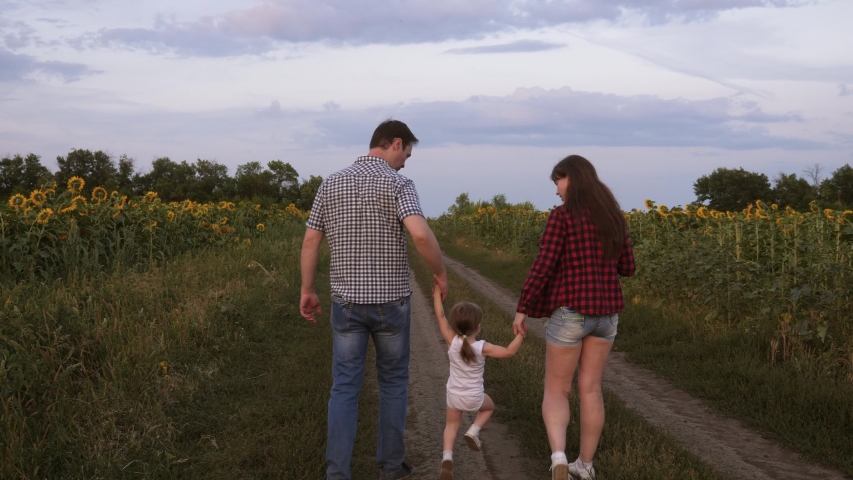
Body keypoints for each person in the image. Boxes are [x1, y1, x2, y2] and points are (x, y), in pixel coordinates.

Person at [300, 120, 448, 480]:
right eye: (406, 155)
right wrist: (441, 273)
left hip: (346, 303)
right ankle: (391, 468)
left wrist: (307, 289)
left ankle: (337, 473)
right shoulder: (398, 183)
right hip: (390, 304)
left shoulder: (331, 183)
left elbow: (310, 241)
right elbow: (421, 235)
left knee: (345, 385)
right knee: (394, 382)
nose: (405, 163)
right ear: (395, 143)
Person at [512, 155, 635, 480]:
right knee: (591, 389)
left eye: (558, 181)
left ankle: (558, 458)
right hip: (607, 316)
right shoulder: (614, 217)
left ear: (573, 179)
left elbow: (544, 264)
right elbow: (628, 267)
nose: (556, 190)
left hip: (572, 314)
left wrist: (523, 305)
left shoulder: (563, 217)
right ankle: (585, 465)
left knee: (556, 389)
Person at [432, 284, 525, 480]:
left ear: (455, 327)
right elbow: (509, 352)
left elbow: (440, 317)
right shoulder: (483, 347)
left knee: (451, 426)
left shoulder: (452, 340)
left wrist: (436, 296)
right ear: (479, 327)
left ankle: (447, 459)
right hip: (474, 397)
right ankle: (474, 431)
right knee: (489, 407)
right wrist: (520, 336)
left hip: (454, 396)